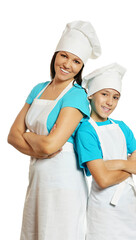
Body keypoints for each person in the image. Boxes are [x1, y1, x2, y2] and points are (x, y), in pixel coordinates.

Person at [7, 20, 101, 240]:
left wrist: (27, 136)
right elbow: (12, 136)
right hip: (37, 180)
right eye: (64, 56)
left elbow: (52, 145)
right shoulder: (38, 89)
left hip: (63, 183)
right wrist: (38, 145)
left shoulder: (77, 95)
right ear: (55, 55)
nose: (67, 64)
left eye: (76, 61)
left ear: (81, 67)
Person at [75, 63, 136, 240]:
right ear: (91, 95)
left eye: (116, 97)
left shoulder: (121, 127)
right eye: (104, 94)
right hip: (104, 212)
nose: (110, 102)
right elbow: (103, 179)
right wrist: (132, 166)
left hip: (129, 207)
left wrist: (117, 164)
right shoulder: (86, 131)